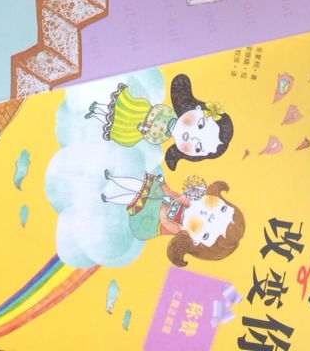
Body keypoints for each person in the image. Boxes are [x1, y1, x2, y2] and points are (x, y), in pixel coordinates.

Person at [85, 72, 233, 169]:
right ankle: (97, 107)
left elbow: (151, 138)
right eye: (200, 125)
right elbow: (157, 110)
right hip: (140, 112)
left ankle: (95, 115)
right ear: (198, 109)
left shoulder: (164, 137)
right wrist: (148, 123)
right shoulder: (169, 113)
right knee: (119, 110)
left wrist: (145, 131)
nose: (193, 137)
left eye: (198, 147)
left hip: (135, 130)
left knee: (116, 125)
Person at [101, 173, 245, 266]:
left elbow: (164, 218)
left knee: (135, 197)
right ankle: (112, 179)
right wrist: (164, 186)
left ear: (195, 241)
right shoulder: (192, 203)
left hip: (150, 220)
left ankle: (109, 197)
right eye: (222, 209)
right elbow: (173, 194)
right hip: (158, 201)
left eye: (207, 234)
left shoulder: (179, 228)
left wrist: (164, 203)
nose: (211, 217)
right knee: (141, 186)